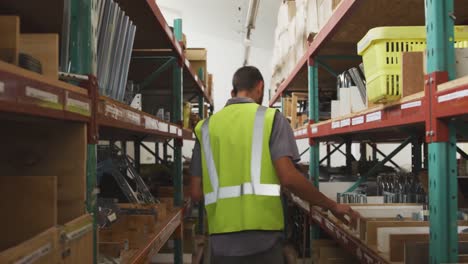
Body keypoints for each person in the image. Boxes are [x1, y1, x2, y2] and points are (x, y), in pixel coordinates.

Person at [190, 66, 360, 264]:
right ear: (260, 87)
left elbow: (195, 192)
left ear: (232, 92)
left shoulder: (205, 127)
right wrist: (332, 205)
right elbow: (289, 178)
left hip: (222, 242)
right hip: (264, 240)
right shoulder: (271, 119)